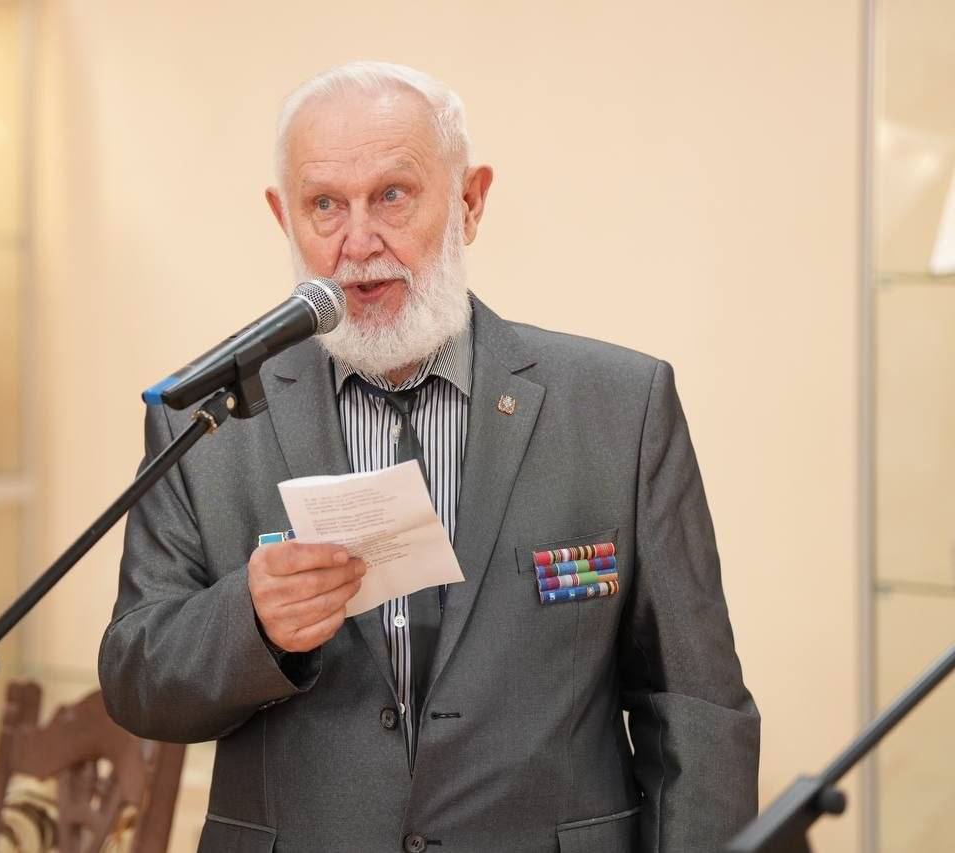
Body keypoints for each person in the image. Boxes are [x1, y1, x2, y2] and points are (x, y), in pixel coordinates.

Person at [100, 61, 759, 853]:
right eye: (324, 205)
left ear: (470, 202)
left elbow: (697, 712)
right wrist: (253, 622)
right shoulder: (206, 419)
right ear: (283, 217)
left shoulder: (621, 407)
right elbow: (136, 676)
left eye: (392, 195)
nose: (358, 242)